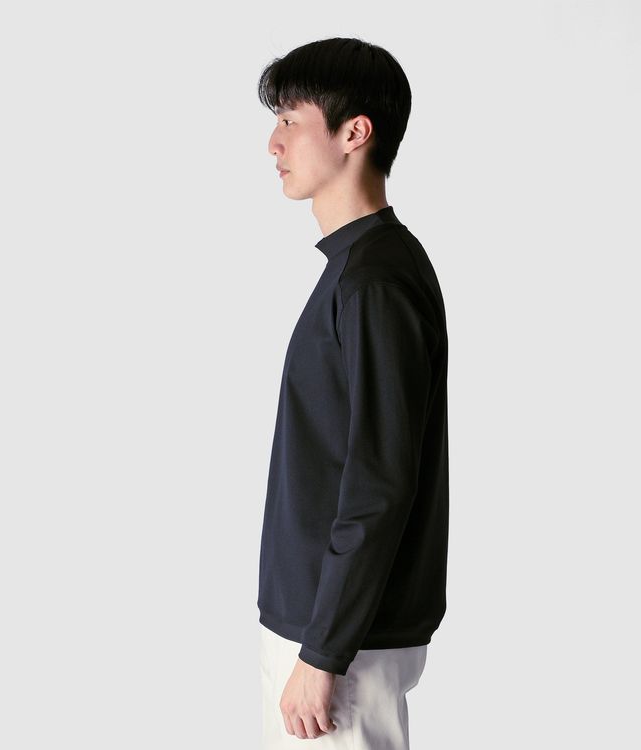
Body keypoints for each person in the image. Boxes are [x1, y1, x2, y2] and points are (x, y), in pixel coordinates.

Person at [255, 37, 449, 748]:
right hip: (325, 630)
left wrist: (323, 653)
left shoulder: (375, 279)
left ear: (354, 132)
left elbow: (379, 482)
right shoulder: (358, 268)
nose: (273, 143)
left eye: (290, 119)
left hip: (341, 644)